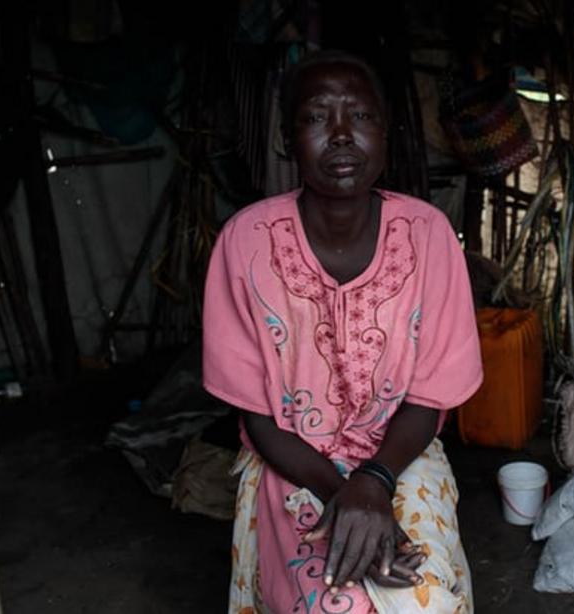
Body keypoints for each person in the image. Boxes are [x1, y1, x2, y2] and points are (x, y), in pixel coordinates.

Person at [202, 49, 483, 613]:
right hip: (292, 459)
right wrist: (347, 496)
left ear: (387, 133)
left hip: (402, 451)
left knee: (424, 600)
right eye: (315, 118)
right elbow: (258, 416)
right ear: (286, 140)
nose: (339, 135)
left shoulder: (428, 236)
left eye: (359, 116)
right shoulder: (245, 242)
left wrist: (375, 481)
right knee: (334, 603)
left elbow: (428, 398)